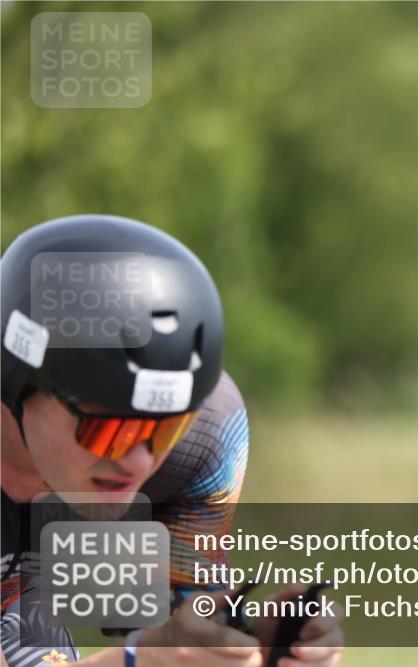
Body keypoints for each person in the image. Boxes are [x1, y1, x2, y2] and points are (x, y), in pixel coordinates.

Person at [0, 215, 343, 667]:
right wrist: (134, 659)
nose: (139, 462)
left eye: (165, 429)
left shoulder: (206, 436)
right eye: (111, 430)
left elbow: (182, 636)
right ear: (17, 381)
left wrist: (252, 649)